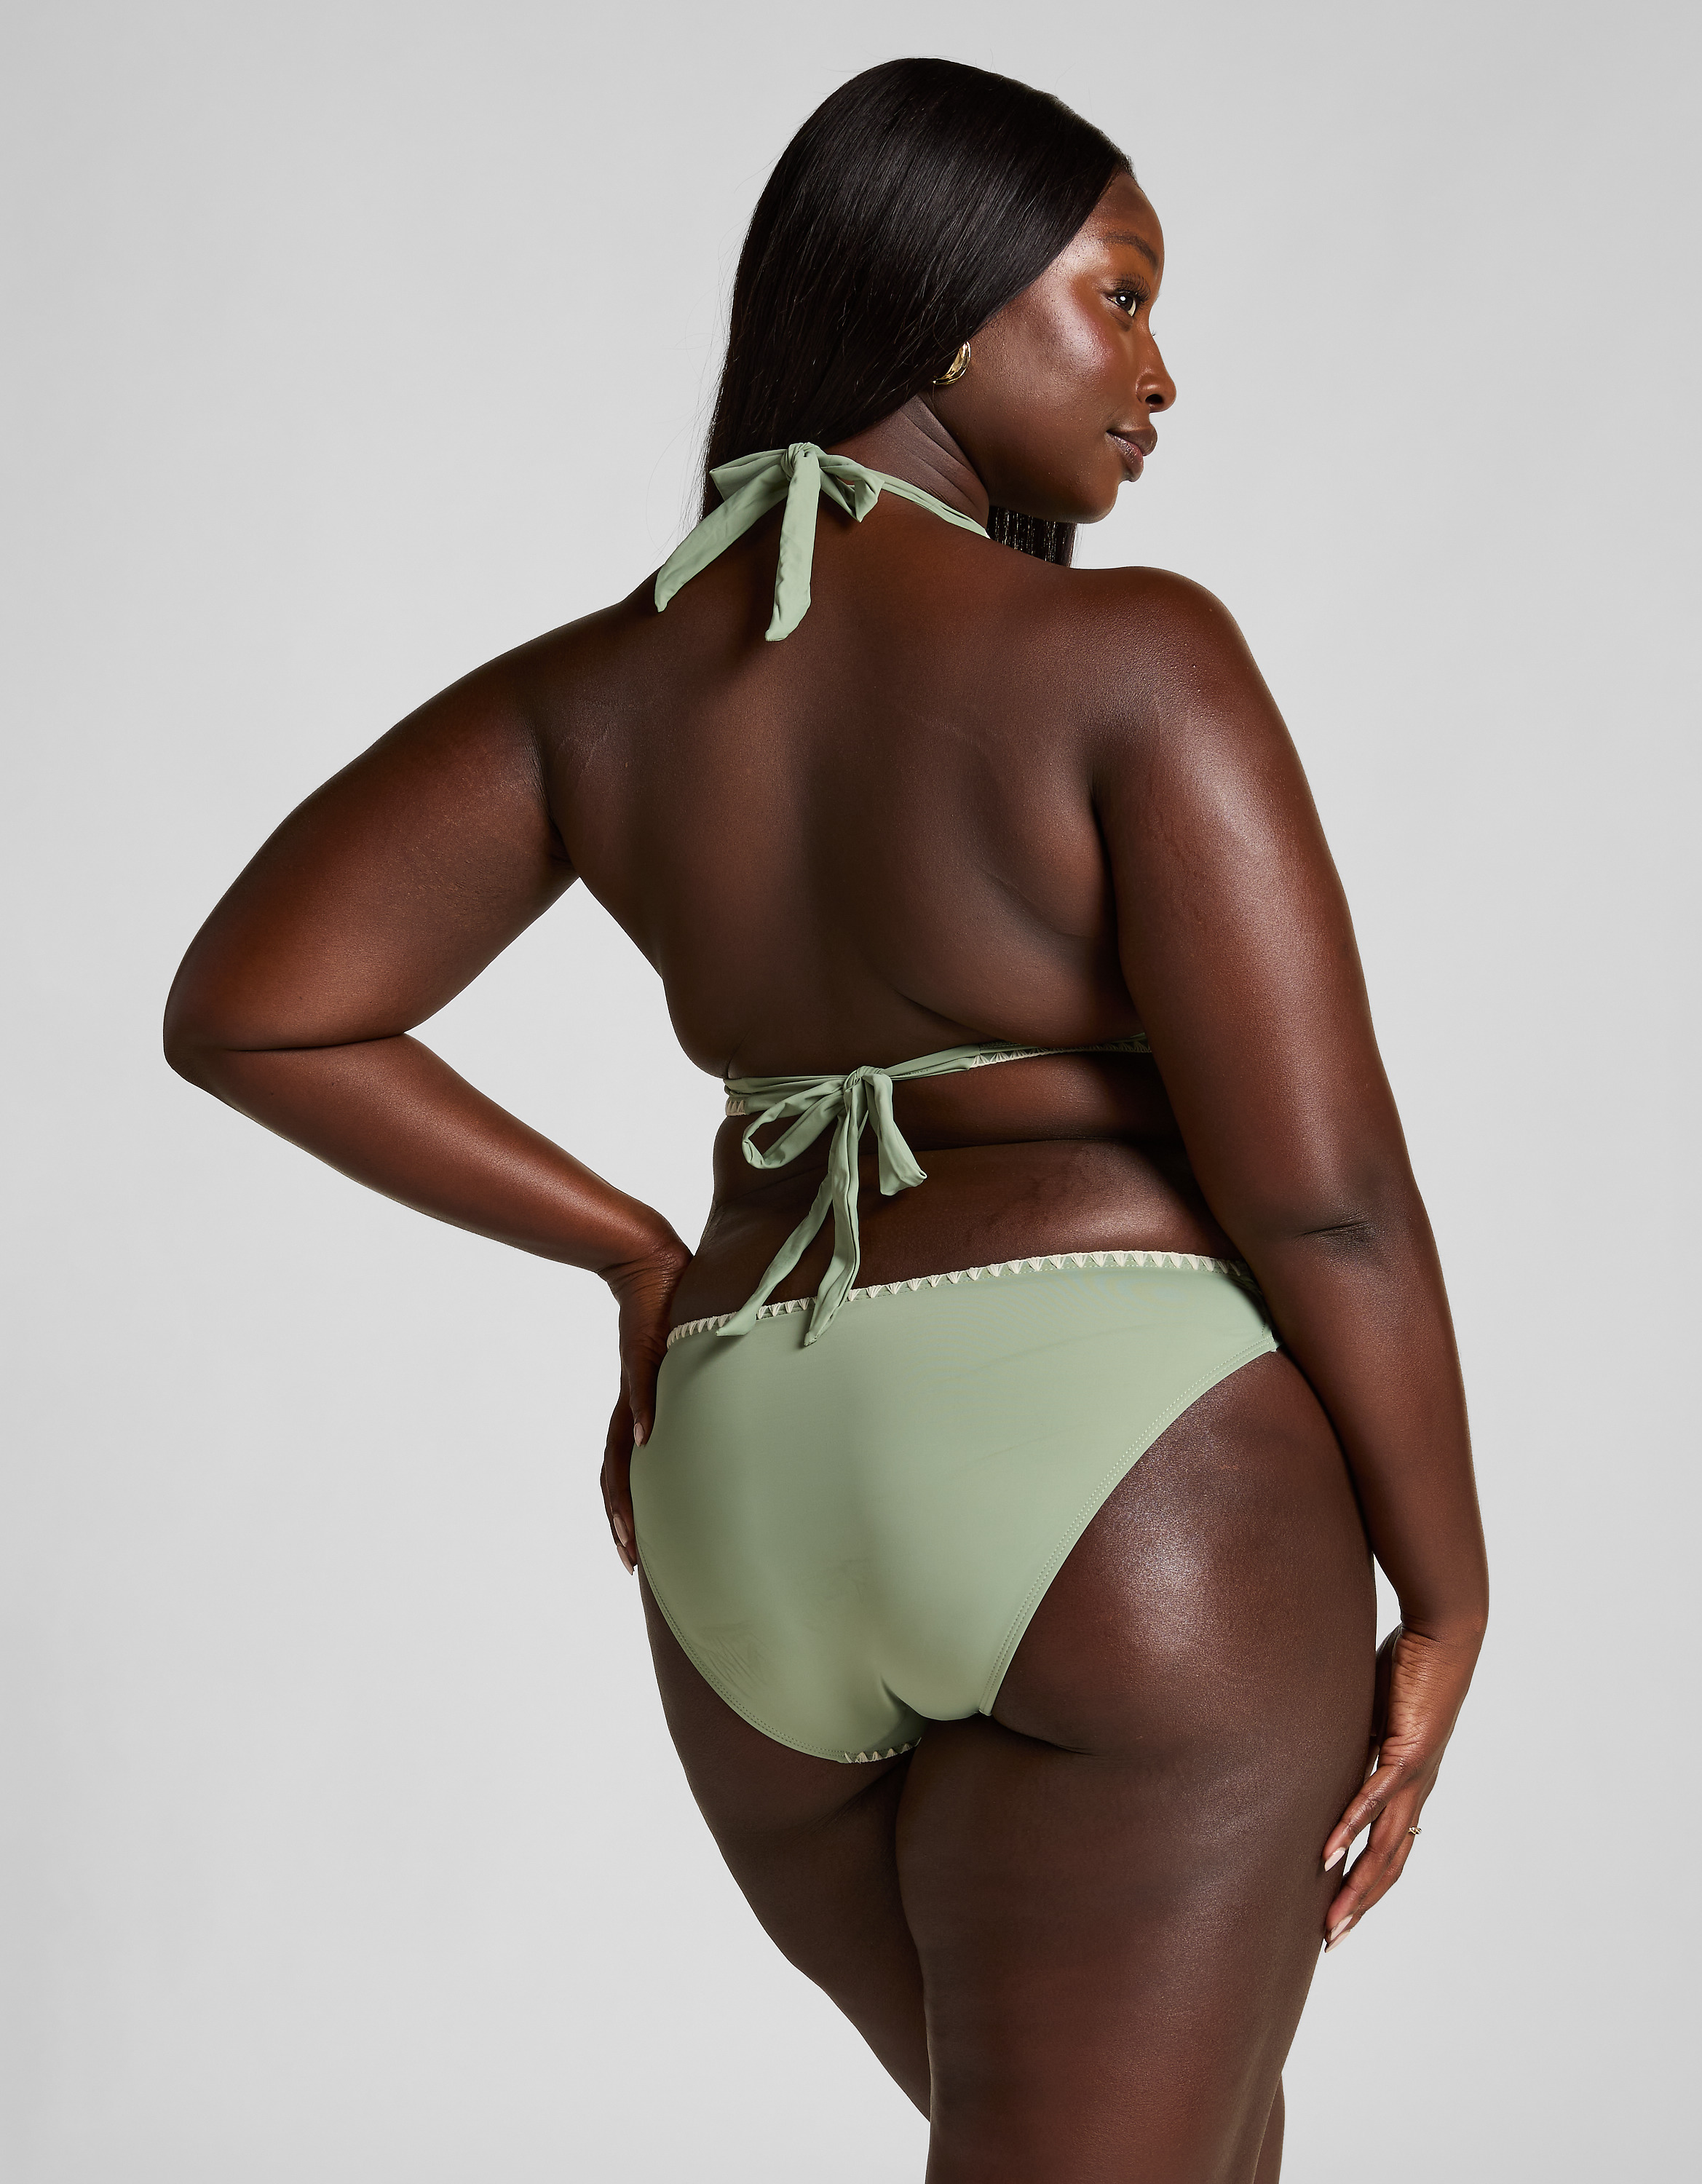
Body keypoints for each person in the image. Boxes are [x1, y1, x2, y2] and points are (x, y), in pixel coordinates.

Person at [165, 55, 1488, 2184]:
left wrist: (637, 1254)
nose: (1158, 376)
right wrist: (1446, 1589)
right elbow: (1325, 1202)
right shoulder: (1131, 655)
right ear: (948, 309)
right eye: (1119, 296)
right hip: (1122, 1480)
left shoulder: (601, 687)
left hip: (746, 1493)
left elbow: (257, 1013)